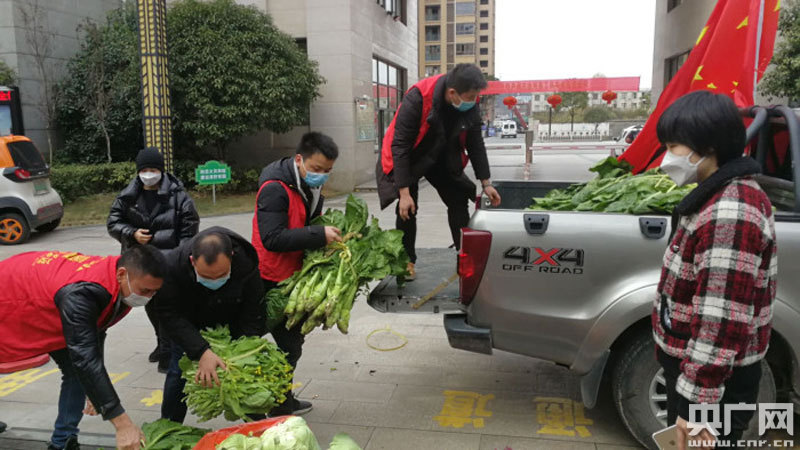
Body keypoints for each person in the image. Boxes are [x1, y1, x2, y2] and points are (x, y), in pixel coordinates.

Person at [651, 91, 777, 450]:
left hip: (714, 386)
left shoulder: (730, 211)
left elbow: (720, 322)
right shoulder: (719, 195)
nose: (668, 156)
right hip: (705, 377)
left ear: (707, 146)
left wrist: (694, 407)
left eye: (673, 146)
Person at [0, 246, 167, 450]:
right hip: (11, 295)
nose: (148, 297)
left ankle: (63, 440)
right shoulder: (82, 294)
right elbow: (85, 356)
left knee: (76, 373)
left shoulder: (118, 278)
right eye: (145, 291)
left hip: (46, 297)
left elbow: (95, 333)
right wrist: (122, 424)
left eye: (154, 292)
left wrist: (94, 390)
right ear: (122, 274)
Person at [376, 63, 501, 279]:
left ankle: (465, 257)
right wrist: (403, 193)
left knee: (458, 197)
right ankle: (406, 261)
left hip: (442, 154)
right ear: (452, 93)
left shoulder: (469, 103)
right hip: (412, 155)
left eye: (475, 96)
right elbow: (401, 145)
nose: (473, 101)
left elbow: (475, 142)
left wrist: (486, 182)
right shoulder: (418, 97)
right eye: (470, 96)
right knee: (408, 208)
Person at [253, 131, 340, 416]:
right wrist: (318, 234)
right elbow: (272, 238)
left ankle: (281, 402)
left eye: (327, 171)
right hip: (268, 278)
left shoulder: (308, 185)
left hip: (292, 276)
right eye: (317, 169)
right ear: (299, 159)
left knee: (291, 345)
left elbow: (307, 221)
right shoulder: (274, 188)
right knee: (254, 339)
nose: (322, 176)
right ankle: (259, 405)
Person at [156, 227, 267, 423]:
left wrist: (244, 347)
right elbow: (169, 314)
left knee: (244, 375)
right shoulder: (171, 266)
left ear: (232, 257)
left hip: (231, 321)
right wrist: (200, 351)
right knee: (177, 371)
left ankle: (259, 426)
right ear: (192, 261)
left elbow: (253, 309)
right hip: (189, 324)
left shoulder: (246, 263)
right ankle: (168, 426)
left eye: (222, 274)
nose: (215, 280)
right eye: (207, 277)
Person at [107, 147, 200, 372]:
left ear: (161, 170)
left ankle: (169, 351)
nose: (149, 174)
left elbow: (190, 229)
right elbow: (113, 222)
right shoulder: (128, 195)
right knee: (149, 304)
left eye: (153, 169)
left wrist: (180, 259)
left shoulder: (178, 196)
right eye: (145, 169)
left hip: (168, 262)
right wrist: (131, 233)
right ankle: (161, 343)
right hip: (140, 262)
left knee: (167, 305)